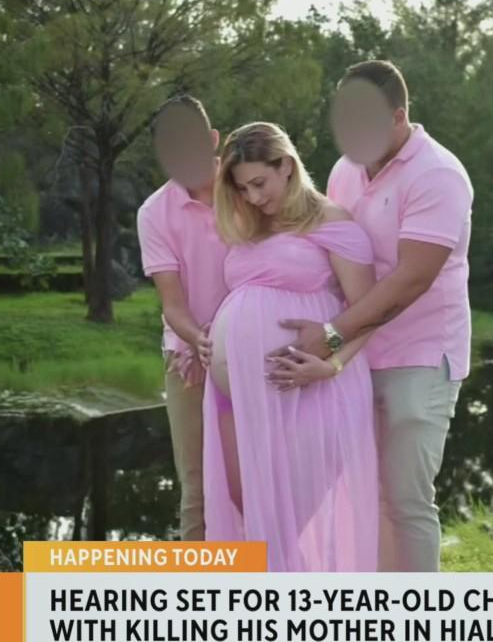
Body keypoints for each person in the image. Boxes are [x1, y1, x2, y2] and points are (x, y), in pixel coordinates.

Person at [273, 60, 475, 572]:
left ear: (398, 116)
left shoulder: (437, 174)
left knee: (405, 499)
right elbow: (333, 255)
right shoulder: (345, 170)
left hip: (419, 356)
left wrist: (332, 336)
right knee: (360, 495)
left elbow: (411, 280)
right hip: (357, 354)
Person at [200, 121, 379, 571]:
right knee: (248, 507)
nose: (253, 197)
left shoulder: (332, 222)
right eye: (243, 188)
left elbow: (369, 313)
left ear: (286, 166)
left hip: (310, 389)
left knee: (283, 514)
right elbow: (245, 294)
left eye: (259, 183)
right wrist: (213, 336)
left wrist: (332, 365)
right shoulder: (253, 224)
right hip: (234, 394)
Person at [136, 94, 230, 541]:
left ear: (212, 139)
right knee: (197, 489)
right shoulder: (154, 213)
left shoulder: (247, 187)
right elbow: (172, 304)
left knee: (258, 476)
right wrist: (198, 341)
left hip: (257, 349)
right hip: (189, 359)